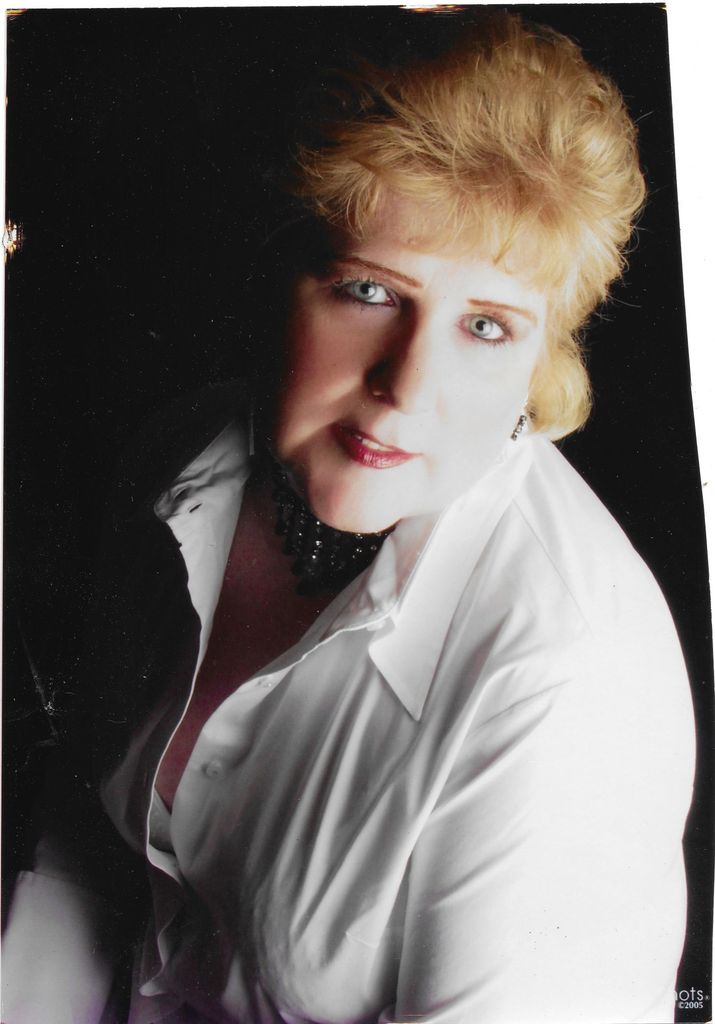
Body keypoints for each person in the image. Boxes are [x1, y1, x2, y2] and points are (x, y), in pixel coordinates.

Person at [2, 11, 695, 1024]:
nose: (406, 386)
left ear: (540, 361)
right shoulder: (181, 459)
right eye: (368, 290)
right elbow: (87, 864)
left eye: (486, 325)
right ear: (278, 279)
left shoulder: (569, 677)